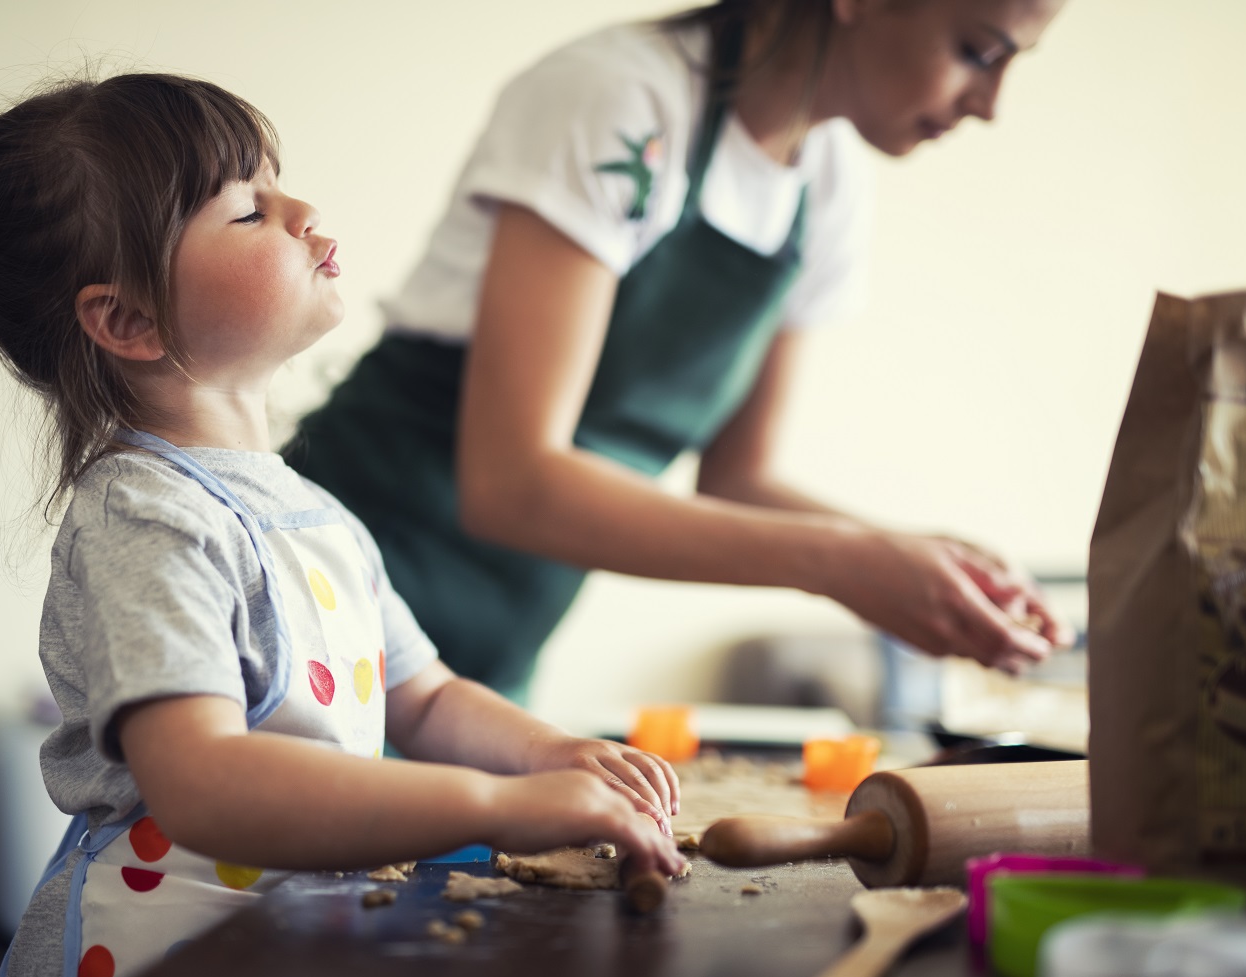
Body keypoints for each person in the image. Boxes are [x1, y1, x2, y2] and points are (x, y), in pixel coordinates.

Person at [0, 73, 685, 977]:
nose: (303, 210)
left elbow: (427, 698)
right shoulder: (146, 515)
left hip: (286, 955)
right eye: (249, 210)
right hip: (156, 963)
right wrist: (498, 805)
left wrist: (549, 754)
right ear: (129, 319)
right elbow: (204, 780)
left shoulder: (315, 514)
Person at [287, 0, 1076, 702]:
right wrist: (843, 564)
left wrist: (911, 559)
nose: (992, 105)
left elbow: (741, 480)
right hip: (330, 610)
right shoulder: (618, 100)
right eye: (979, 50)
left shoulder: (828, 184)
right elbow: (511, 483)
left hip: (487, 673)